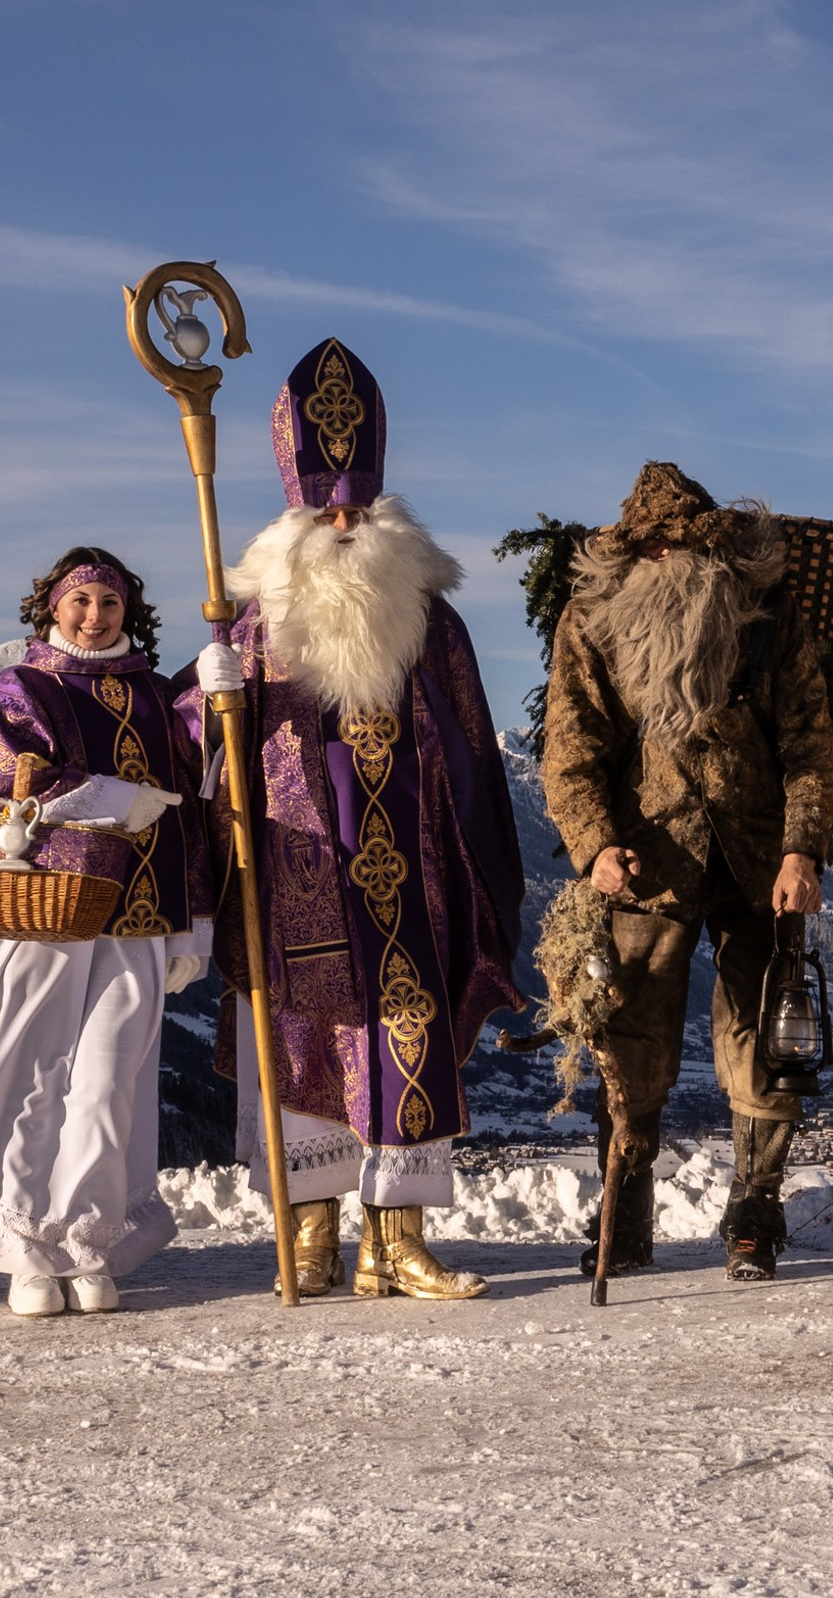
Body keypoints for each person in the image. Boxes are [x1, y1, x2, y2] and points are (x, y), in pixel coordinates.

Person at [185, 336, 525, 1300]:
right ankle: (313, 1233)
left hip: (405, 868)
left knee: (402, 1029)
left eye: (359, 505)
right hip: (295, 870)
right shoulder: (251, 622)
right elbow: (204, 749)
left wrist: (475, 869)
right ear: (296, 512)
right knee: (303, 1038)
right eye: (327, 505)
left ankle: (398, 1238)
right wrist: (209, 695)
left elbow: (469, 745)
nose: (344, 518)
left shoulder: (428, 617)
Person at [538, 461, 833, 1282]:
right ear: (629, 551)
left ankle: (753, 1213)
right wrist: (595, 843)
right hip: (645, 861)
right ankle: (625, 1212)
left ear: (710, 545)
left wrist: (800, 850)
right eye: (652, 546)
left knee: (766, 1040)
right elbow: (570, 746)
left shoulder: (766, 614)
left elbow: (810, 743)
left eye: (680, 544)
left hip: (757, 860)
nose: (667, 559)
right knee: (630, 1042)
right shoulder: (593, 619)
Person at [0, 548, 213, 1316]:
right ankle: (25, 1243)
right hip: (45, 909)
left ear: (129, 613)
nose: (94, 617)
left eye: (110, 604)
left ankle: (86, 1237)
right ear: (52, 609)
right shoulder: (21, 688)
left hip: (138, 913)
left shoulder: (158, 698)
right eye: (80, 601)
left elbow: (197, 797)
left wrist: (220, 694)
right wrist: (112, 797)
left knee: (109, 1082)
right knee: (36, 1073)